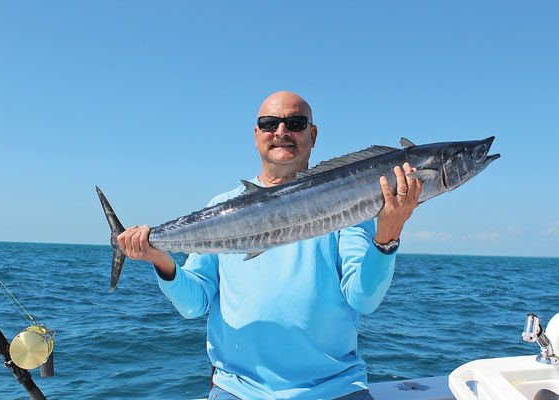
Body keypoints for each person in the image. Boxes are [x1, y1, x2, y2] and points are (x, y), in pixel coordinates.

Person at [117, 91, 421, 399]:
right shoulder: (222, 207)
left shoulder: (352, 206)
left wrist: (388, 233)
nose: (281, 133)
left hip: (335, 388)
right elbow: (194, 304)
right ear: (256, 135)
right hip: (238, 389)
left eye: (295, 123)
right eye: (269, 123)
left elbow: (363, 299)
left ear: (312, 134)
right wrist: (162, 261)